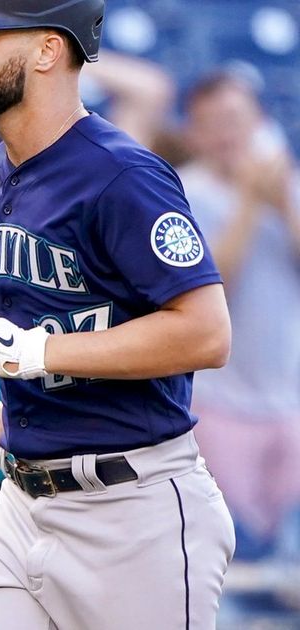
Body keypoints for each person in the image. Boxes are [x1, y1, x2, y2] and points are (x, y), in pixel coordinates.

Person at [0, 2, 236, 629]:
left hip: (133, 512)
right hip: (21, 505)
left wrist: (31, 353)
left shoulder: (122, 175)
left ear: (47, 50)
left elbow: (205, 332)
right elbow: (59, 340)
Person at [178, 71, 300, 557]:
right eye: (213, 123)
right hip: (220, 403)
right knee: (231, 549)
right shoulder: (183, 193)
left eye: (236, 120)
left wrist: (283, 204)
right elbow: (209, 289)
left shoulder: (289, 185)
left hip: (289, 398)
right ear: (195, 133)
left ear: (259, 123)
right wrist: (250, 203)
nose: (227, 134)